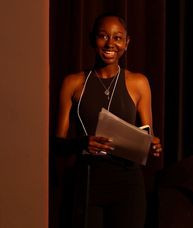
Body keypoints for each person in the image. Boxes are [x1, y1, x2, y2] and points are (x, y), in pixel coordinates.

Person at [54, 12, 162, 228]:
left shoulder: (138, 82)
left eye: (117, 37)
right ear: (92, 39)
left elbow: (148, 135)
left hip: (128, 182)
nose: (110, 43)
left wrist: (153, 145)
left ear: (127, 43)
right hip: (87, 180)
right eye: (103, 36)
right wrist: (83, 142)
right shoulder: (73, 83)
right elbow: (57, 143)